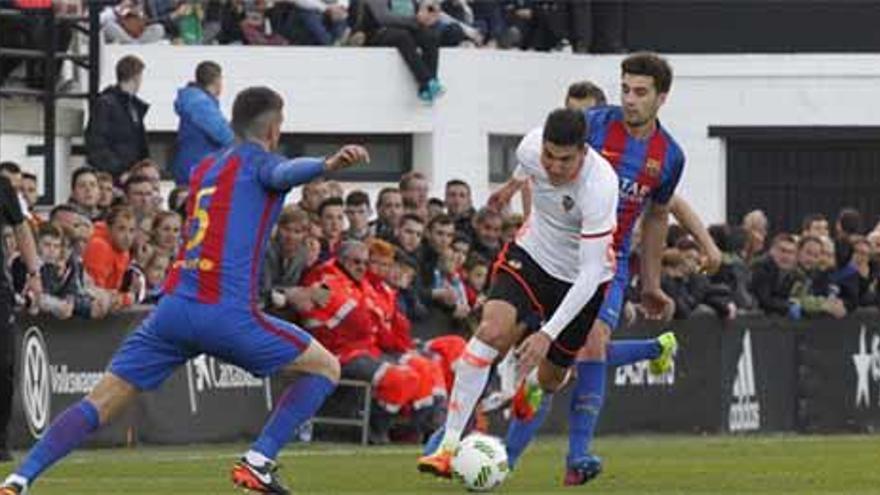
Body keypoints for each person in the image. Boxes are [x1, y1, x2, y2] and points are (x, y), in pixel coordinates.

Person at [0, 86, 369, 495]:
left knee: (100, 401)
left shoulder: (206, 169)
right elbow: (282, 174)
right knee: (325, 368)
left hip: (175, 310)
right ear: (275, 128)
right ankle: (259, 460)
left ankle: (19, 478)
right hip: (226, 313)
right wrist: (327, 163)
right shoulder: (262, 163)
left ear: (233, 122)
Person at [486, 55, 687, 485]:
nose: (630, 100)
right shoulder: (592, 125)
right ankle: (502, 457)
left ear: (661, 97)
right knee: (552, 362)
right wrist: (515, 200)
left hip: (605, 265)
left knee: (590, 343)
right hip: (552, 255)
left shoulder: (669, 156)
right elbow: (542, 162)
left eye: (641, 92)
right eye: (626, 89)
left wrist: (650, 283)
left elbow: (657, 216)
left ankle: (577, 457)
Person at [417, 107, 619, 478]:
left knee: (552, 379)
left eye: (565, 160)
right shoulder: (529, 149)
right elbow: (526, 168)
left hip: (579, 280)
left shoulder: (600, 187)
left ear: (584, 151)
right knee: (490, 332)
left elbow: (591, 274)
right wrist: (510, 188)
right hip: (531, 254)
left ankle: (528, 387)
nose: (554, 167)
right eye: (549, 156)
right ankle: (447, 447)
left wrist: (546, 333)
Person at [0, 173, 41, 463]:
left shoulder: (2, 187)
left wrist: (34, 272)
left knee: (4, 363)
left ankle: (0, 440)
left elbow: (21, 227)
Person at [85, 55, 149, 179]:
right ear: (136, 77)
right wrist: (118, 171)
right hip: (117, 176)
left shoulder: (131, 105)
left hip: (129, 174)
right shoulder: (108, 104)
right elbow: (97, 143)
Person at [171, 60, 235, 185]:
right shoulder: (201, 104)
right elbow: (224, 135)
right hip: (199, 170)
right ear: (217, 80)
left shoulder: (195, 101)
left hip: (192, 168)